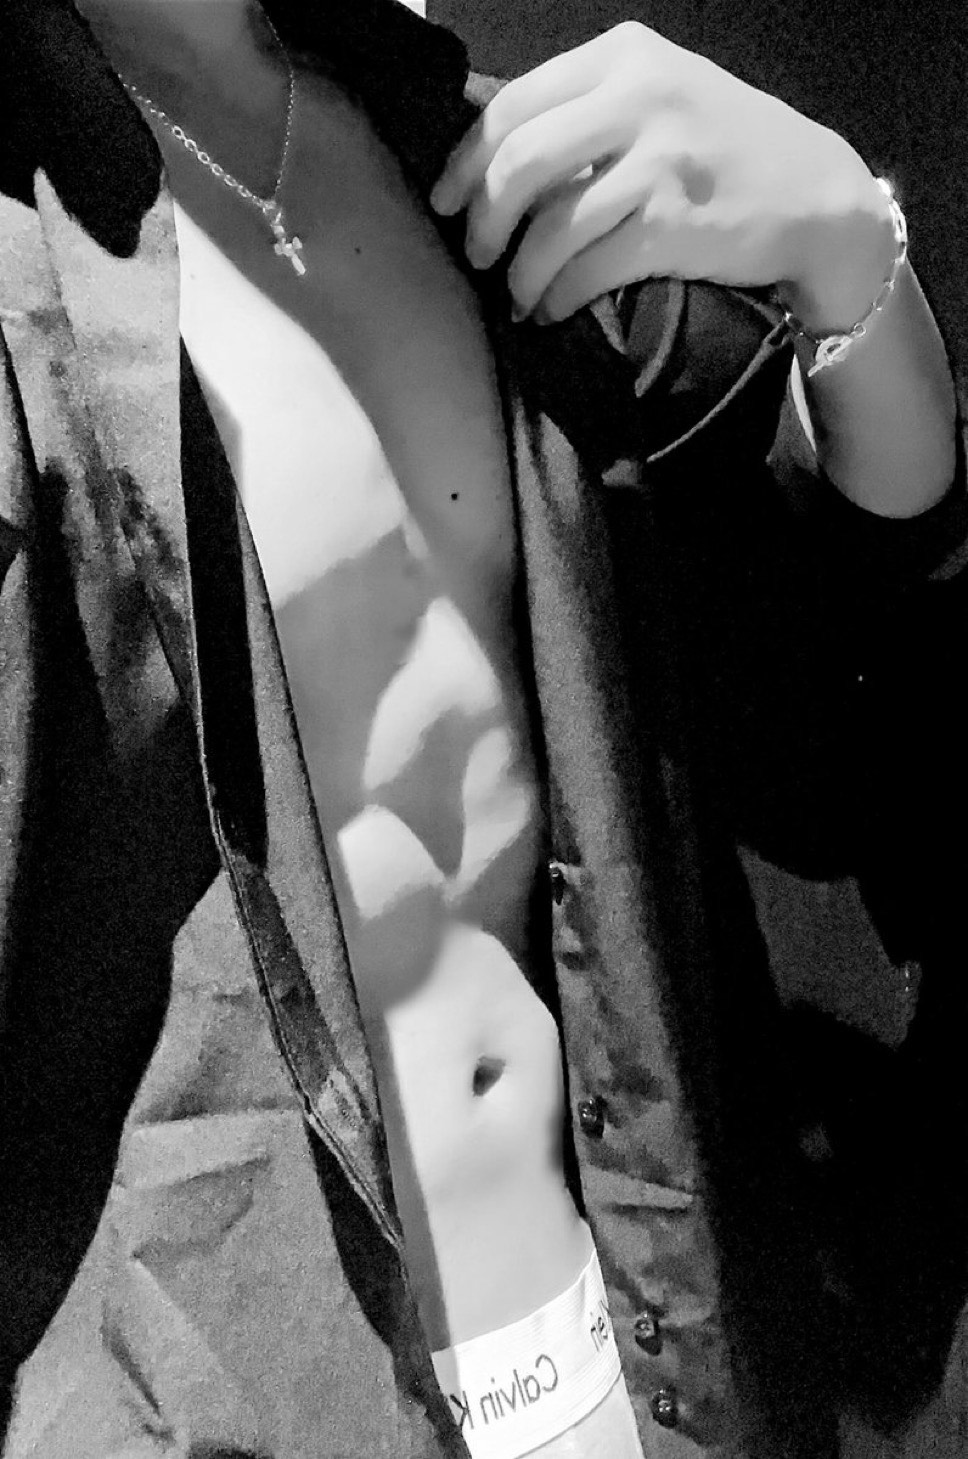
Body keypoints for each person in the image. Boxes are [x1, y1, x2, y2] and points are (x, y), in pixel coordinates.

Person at [1, 1, 965, 1456]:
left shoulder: (474, 155)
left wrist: (851, 250)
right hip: (221, 1393)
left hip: (633, 1349)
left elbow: (842, 708)